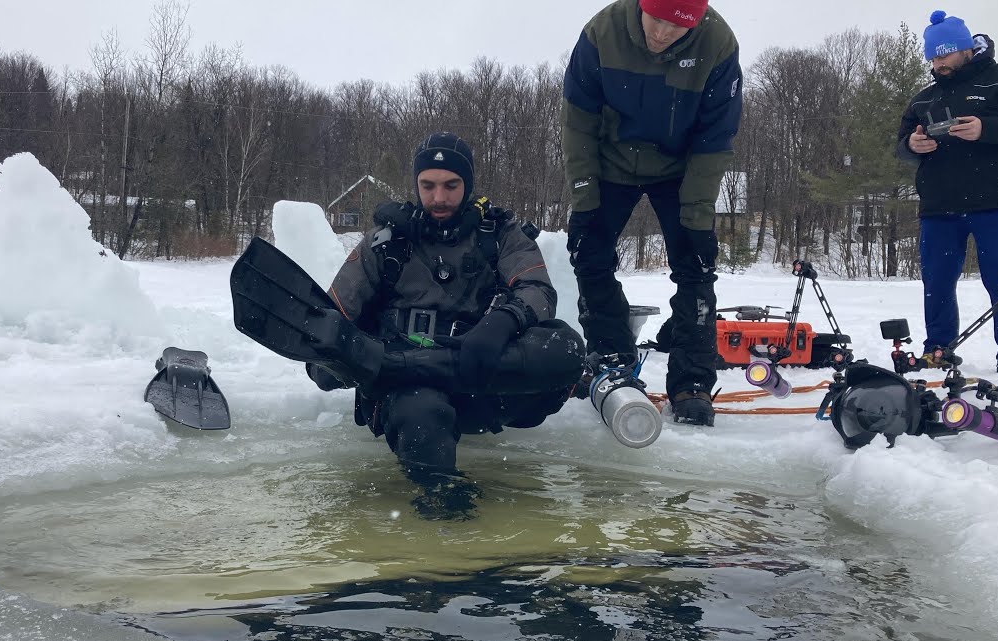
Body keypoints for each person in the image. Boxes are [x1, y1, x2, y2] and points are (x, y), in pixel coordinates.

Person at [306, 132, 584, 494]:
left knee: (566, 347)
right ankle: (446, 507)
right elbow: (330, 317)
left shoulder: (499, 233)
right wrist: (337, 360)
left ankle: (401, 368)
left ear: (467, 185)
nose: (439, 197)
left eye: (451, 185)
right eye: (428, 185)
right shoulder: (384, 243)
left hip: (482, 377)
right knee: (420, 415)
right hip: (413, 393)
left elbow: (538, 291)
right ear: (416, 184)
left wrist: (502, 322)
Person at [561, 0, 743, 427]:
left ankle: (692, 382)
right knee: (589, 256)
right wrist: (584, 196)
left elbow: (715, 138)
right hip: (609, 164)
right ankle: (612, 360)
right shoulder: (600, 34)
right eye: (656, 20)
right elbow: (577, 124)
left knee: (696, 267)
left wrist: (698, 213)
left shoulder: (718, 44)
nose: (662, 33)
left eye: (677, 27)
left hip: (680, 168)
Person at [897, 11, 998, 378]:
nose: (938, 64)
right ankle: (938, 349)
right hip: (939, 207)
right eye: (933, 58)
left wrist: (986, 128)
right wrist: (913, 144)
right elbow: (901, 146)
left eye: (944, 56)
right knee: (937, 281)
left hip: (996, 202)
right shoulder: (925, 98)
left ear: (966, 49)